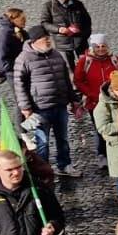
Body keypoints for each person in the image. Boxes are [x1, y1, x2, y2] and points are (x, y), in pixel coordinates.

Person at [12, 25, 78, 176]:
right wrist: (25, 108)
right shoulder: (24, 59)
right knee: (43, 142)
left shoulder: (56, 55)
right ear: (35, 41)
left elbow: (66, 79)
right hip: (39, 108)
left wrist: (73, 99)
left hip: (60, 105)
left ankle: (64, 165)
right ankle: (42, 169)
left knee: (63, 139)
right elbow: (19, 85)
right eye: (44, 38)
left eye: (48, 38)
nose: (48, 41)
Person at [71, 35, 118, 154]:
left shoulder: (115, 60)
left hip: (116, 101)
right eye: (97, 46)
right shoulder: (85, 61)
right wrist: (91, 94)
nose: (100, 49)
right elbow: (78, 80)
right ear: (92, 47)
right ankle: (102, 154)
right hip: (95, 102)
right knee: (101, 128)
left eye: (103, 46)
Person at [39, 0, 92, 69]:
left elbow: (87, 22)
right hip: (62, 44)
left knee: (87, 67)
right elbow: (44, 23)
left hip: (80, 42)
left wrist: (84, 35)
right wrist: (58, 29)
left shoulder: (78, 4)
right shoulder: (48, 6)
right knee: (68, 70)